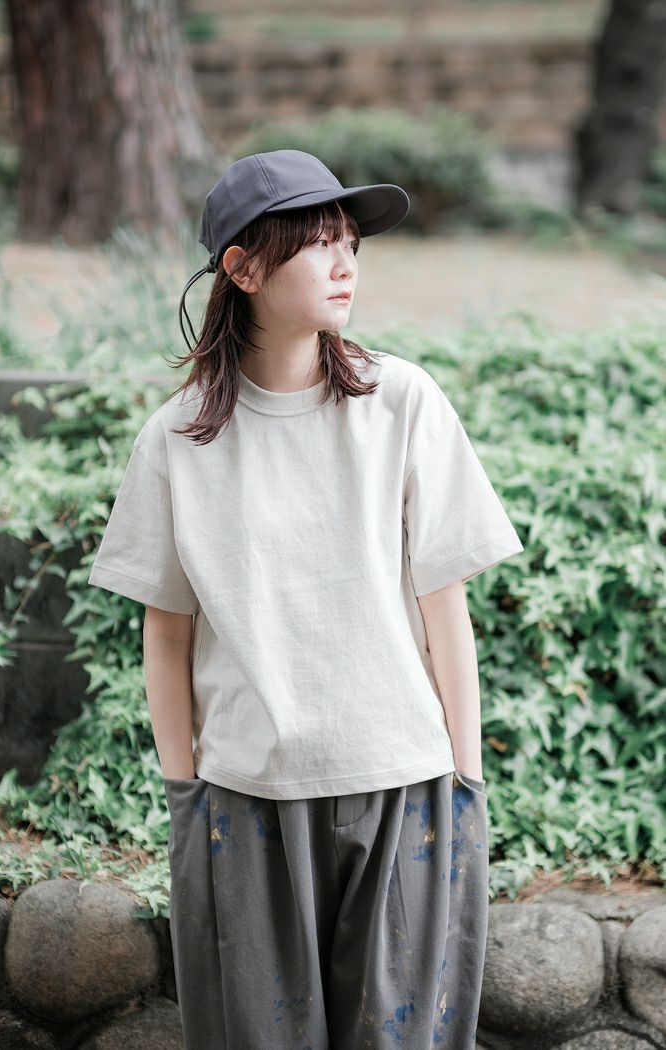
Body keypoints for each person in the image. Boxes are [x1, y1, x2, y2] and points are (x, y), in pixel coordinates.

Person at [87, 149, 524, 1050]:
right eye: (318, 243)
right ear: (243, 268)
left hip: (404, 780)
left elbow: (444, 608)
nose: (344, 264)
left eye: (350, 243)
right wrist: (184, 794)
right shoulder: (176, 440)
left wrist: (467, 782)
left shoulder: (402, 402)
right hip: (244, 794)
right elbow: (165, 634)